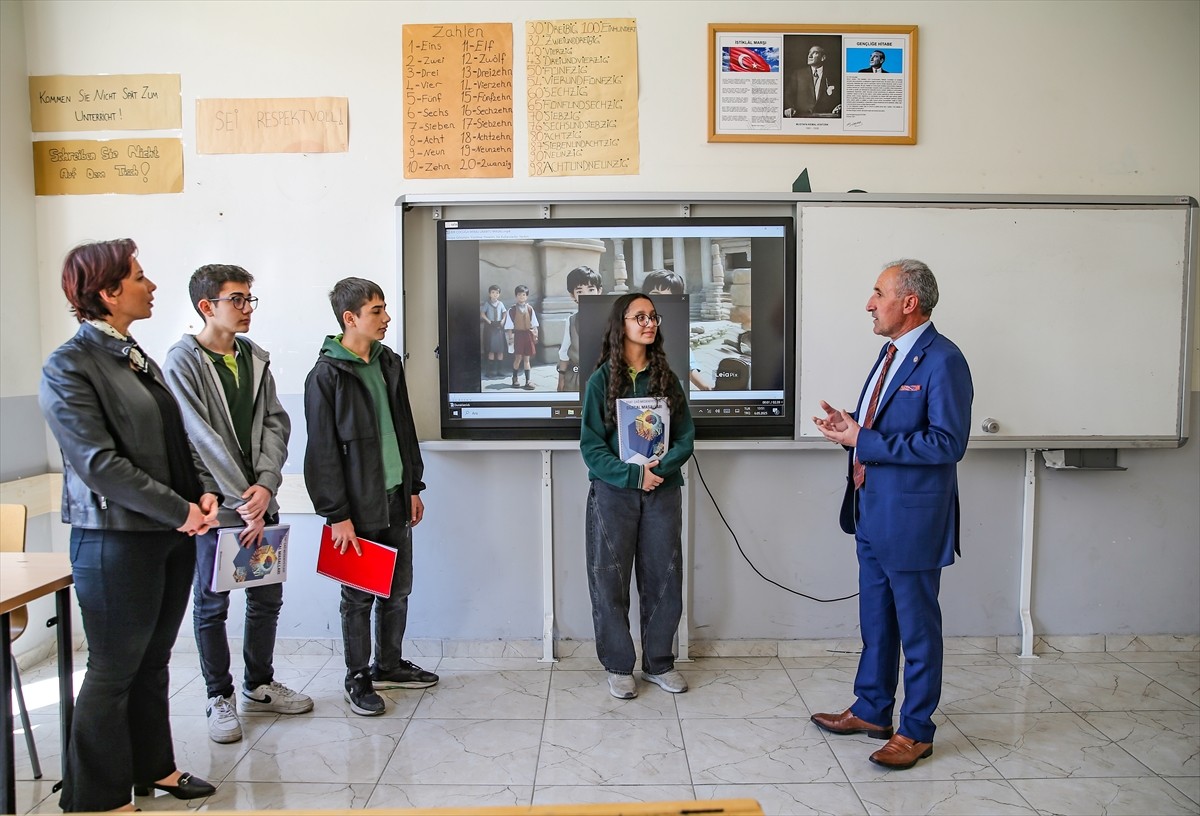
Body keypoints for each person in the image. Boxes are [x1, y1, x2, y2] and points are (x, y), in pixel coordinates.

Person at [38, 239, 220, 811]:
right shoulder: (69, 364)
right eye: (140, 277)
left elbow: (176, 437)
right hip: (113, 540)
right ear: (108, 291)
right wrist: (180, 510)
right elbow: (98, 466)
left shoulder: (134, 355)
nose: (152, 285)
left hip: (169, 535)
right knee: (113, 669)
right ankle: (97, 796)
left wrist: (203, 491)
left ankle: (154, 767)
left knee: (153, 660)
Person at [810, 259, 973, 771]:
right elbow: (884, 430)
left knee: (918, 630)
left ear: (909, 302)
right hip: (871, 513)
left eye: (878, 293)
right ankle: (872, 710)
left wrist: (867, 439)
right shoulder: (888, 355)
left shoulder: (944, 360)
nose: (868, 303)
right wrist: (850, 427)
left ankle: (916, 730)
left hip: (913, 521)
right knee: (876, 622)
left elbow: (948, 443)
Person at [162, 263, 313, 745]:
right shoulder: (183, 360)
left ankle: (259, 684)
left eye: (250, 299)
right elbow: (196, 436)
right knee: (211, 604)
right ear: (207, 307)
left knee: (266, 595)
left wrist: (265, 487)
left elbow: (276, 423)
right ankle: (218, 695)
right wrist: (238, 499)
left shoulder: (253, 356)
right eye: (237, 300)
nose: (247, 309)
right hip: (214, 506)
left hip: (258, 501)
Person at [303, 277, 437, 717]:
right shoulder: (325, 375)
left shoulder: (388, 362)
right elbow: (321, 451)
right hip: (356, 509)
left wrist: (414, 486)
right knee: (358, 595)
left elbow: (405, 428)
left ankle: (390, 664)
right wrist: (336, 514)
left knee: (397, 590)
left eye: (384, 309)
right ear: (350, 318)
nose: (386, 318)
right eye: (376, 310)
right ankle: (357, 676)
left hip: (397, 497)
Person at [579, 293, 696, 700]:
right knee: (609, 578)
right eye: (639, 316)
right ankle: (618, 665)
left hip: (662, 491)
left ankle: (659, 663)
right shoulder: (600, 382)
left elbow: (685, 437)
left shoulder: (667, 378)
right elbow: (591, 447)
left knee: (664, 576)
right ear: (621, 324)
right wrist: (632, 476)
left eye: (653, 317)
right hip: (613, 494)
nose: (649, 323)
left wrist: (657, 472)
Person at [641, 269, 713, 391]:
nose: (661, 301)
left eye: (668, 297)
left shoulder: (676, 328)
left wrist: (704, 387)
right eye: (655, 294)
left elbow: (687, 363)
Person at [557, 265, 603, 391]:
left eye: (591, 290)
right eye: (580, 291)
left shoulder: (612, 318)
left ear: (599, 291)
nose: (586, 295)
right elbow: (564, 352)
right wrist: (561, 379)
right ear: (573, 296)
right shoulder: (571, 321)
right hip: (577, 379)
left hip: (604, 378)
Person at [785, 45, 841, 117]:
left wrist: (839, 106)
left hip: (825, 117)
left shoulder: (833, 76)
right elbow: (788, 94)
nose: (810, 56)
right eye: (809, 53)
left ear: (823, 58)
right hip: (801, 117)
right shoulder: (798, 74)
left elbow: (839, 97)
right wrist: (789, 107)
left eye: (815, 53)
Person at [505, 284, 539, 389]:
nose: (521, 297)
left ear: (526, 296)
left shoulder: (530, 309)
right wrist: (510, 338)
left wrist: (535, 335)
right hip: (518, 335)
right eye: (519, 295)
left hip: (528, 335)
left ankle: (528, 381)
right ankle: (515, 379)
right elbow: (509, 326)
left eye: (524, 295)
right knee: (518, 357)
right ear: (516, 296)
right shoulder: (512, 310)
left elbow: (534, 324)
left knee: (527, 358)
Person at [480, 284, 507, 378]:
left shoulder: (501, 304)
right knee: (491, 350)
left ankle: (499, 370)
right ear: (489, 294)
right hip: (491, 328)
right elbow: (482, 313)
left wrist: (503, 320)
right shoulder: (487, 304)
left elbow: (504, 313)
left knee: (500, 350)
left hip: (499, 327)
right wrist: (488, 321)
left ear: (499, 294)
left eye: (497, 293)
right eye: (493, 292)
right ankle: (490, 371)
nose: (495, 294)